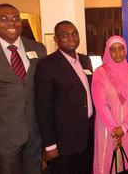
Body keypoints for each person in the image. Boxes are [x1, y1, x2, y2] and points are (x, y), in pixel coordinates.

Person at [34, 20, 94, 174]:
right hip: (63, 142)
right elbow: (43, 109)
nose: (71, 38)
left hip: (87, 137)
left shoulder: (86, 60)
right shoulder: (47, 65)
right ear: (56, 39)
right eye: (65, 35)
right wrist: (50, 146)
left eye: (74, 33)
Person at [0, 3, 46, 174]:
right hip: (5, 136)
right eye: (4, 19)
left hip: (35, 132)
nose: (11, 23)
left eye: (15, 19)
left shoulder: (38, 49)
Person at [92, 35, 128, 174]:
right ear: (108, 51)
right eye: (113, 49)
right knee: (107, 162)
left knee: (127, 163)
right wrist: (115, 131)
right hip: (107, 127)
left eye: (121, 48)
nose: (118, 52)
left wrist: (124, 128)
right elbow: (100, 104)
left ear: (125, 50)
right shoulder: (100, 73)